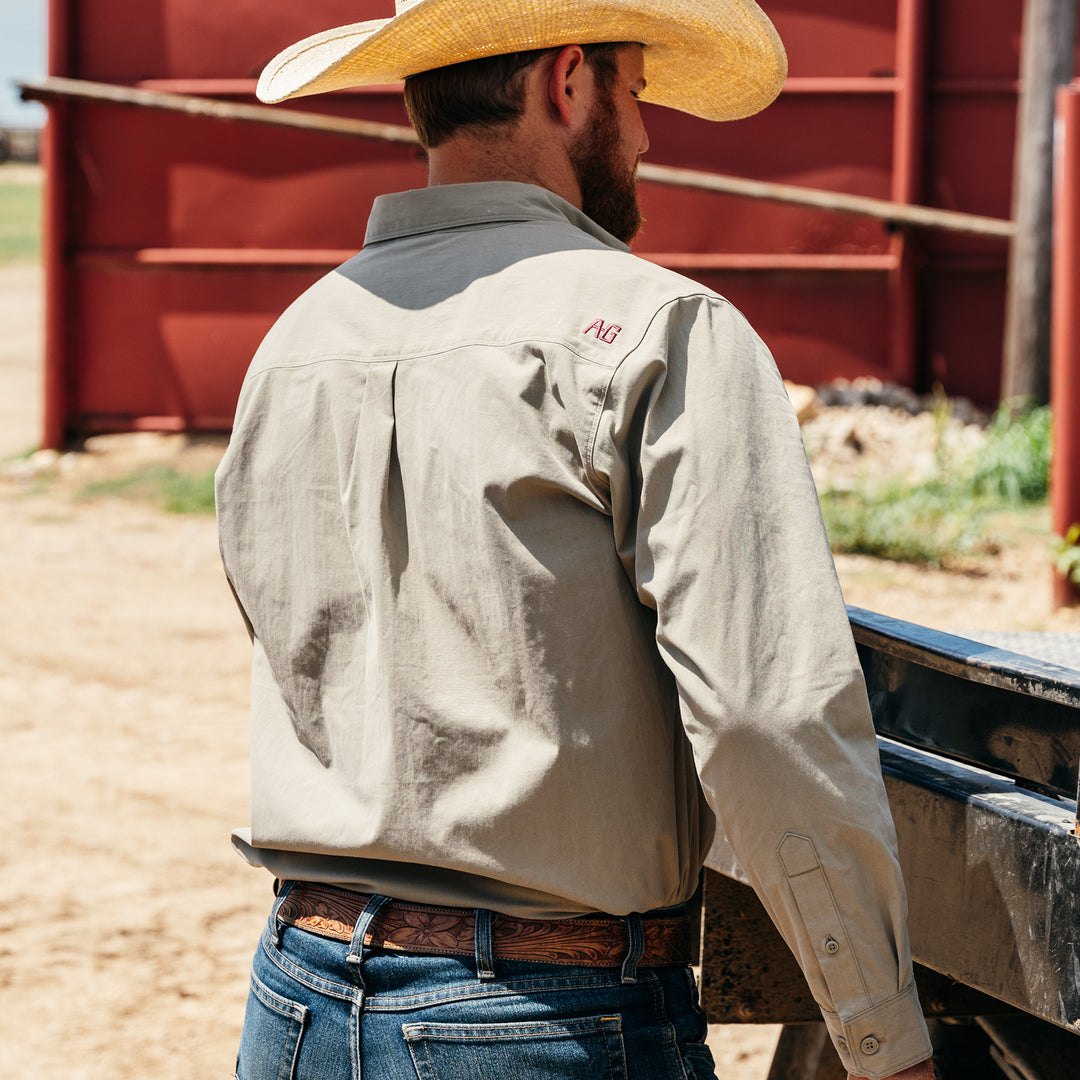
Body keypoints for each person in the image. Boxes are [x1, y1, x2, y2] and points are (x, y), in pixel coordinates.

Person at [215, 2, 936, 1078]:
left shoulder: (297, 340)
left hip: (297, 1000)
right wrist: (880, 1031)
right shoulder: (663, 328)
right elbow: (761, 715)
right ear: (567, 82)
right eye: (637, 91)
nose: (646, 134)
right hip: (545, 1021)